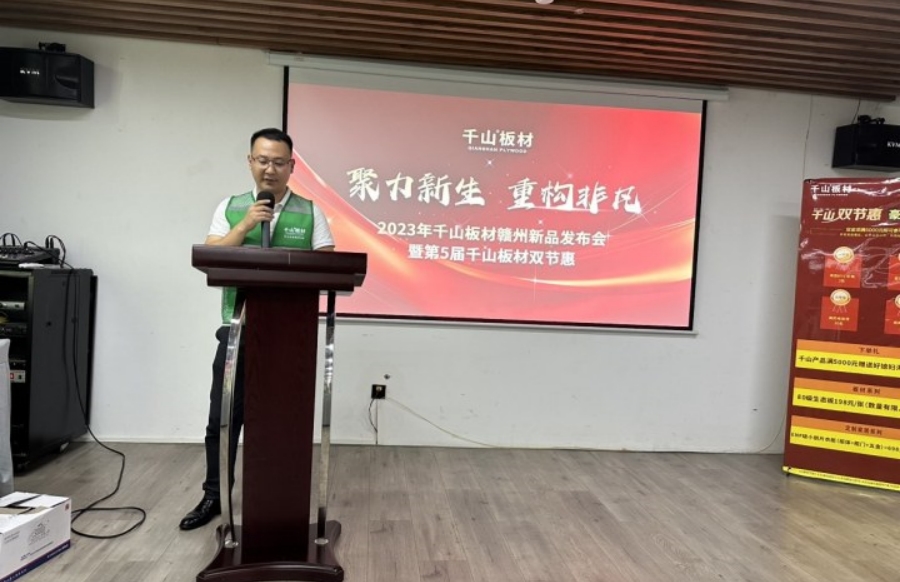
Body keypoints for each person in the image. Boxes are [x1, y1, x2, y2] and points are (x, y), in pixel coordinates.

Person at [179, 128, 335, 530]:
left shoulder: (311, 212)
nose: (270, 169)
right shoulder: (231, 207)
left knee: (284, 422)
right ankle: (214, 495)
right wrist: (245, 225)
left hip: (290, 338)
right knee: (222, 420)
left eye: (279, 162)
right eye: (262, 160)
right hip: (238, 333)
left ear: (292, 166)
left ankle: (279, 499)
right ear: (250, 162)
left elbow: (329, 264)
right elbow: (209, 256)